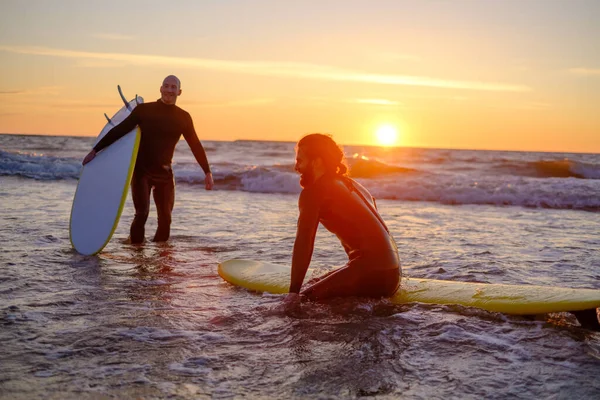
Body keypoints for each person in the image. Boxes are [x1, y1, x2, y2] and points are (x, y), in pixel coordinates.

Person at [82, 75, 214, 244]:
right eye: (166, 86)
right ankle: (137, 254)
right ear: (160, 88)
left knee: (166, 219)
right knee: (142, 214)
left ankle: (160, 258)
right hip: (141, 172)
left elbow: (195, 145)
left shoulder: (184, 118)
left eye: (173, 87)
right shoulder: (144, 110)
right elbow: (120, 130)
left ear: (179, 92)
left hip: (165, 174)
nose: (169, 90)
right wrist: (95, 150)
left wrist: (207, 171)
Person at [283, 133, 401, 309]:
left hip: (372, 273)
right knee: (314, 284)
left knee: (302, 303)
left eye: (300, 161)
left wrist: (293, 293)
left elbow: (304, 242)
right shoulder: (352, 185)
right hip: (393, 274)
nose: (296, 167)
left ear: (317, 162)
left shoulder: (314, 193)